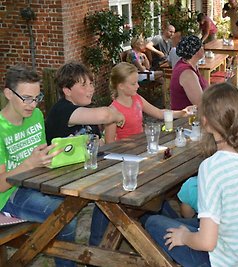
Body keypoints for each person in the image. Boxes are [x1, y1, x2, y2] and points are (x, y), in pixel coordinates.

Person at [145, 82, 238, 266]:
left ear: (206, 123)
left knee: (151, 221)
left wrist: (184, 238)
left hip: (223, 260)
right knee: (174, 218)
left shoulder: (212, 168)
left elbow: (207, 242)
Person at [0, 65, 77, 267]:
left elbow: (41, 156)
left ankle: (92, 251)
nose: (32, 104)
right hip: (10, 195)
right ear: (8, 93)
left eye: (36, 98)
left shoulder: (35, 116)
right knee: (65, 217)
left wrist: (62, 149)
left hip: (38, 182)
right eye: (26, 98)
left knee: (84, 197)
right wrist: (28, 164)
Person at [45, 61, 125, 247]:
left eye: (91, 84)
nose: (90, 89)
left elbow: (99, 142)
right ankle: (96, 245)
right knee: (113, 191)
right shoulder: (62, 110)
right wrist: (117, 115)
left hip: (85, 174)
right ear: (67, 90)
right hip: (61, 178)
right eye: (83, 85)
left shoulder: (84, 112)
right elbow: (105, 115)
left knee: (119, 188)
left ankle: (98, 245)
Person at [104, 62, 188, 143]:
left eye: (137, 82)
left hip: (142, 145)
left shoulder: (137, 99)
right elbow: (109, 142)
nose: (138, 86)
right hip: (126, 152)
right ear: (121, 86)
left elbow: (159, 113)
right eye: (133, 84)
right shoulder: (113, 111)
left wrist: (183, 112)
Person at [170, 35, 208, 110]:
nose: (203, 48)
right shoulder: (187, 73)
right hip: (185, 118)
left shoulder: (188, 65)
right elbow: (200, 104)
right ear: (196, 51)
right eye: (201, 46)